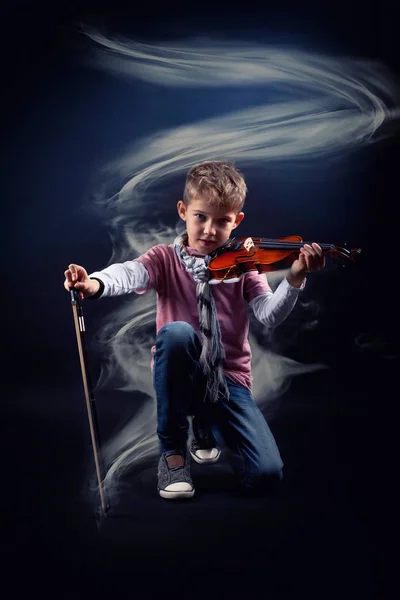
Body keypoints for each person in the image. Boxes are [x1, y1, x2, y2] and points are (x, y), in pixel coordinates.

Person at [64, 161, 325, 500]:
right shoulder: (163, 259)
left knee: (267, 474)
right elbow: (128, 274)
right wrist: (94, 283)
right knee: (176, 334)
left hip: (228, 378)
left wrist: (295, 278)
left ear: (237, 220)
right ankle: (173, 453)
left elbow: (268, 315)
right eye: (200, 216)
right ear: (183, 211)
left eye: (222, 221)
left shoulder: (245, 266)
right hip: (181, 373)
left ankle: (206, 424)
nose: (209, 230)